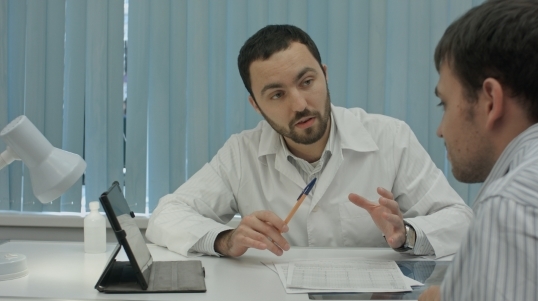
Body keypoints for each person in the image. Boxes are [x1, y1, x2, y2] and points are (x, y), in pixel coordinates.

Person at [146, 24, 472, 259]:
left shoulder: (390, 138)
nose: (300, 104)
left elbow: (461, 220)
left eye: (307, 81)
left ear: (325, 75)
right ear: (255, 106)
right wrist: (225, 239)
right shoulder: (241, 153)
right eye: (277, 94)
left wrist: (407, 234)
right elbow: (166, 215)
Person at [416, 0, 538, 301]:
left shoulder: (519, 205)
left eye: (445, 103)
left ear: (490, 101)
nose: (440, 129)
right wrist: (462, 297)